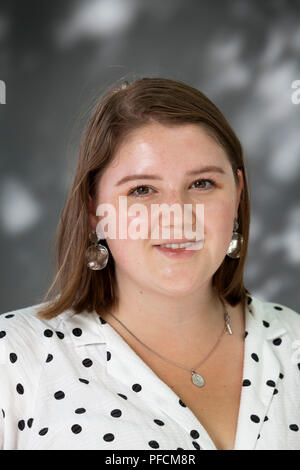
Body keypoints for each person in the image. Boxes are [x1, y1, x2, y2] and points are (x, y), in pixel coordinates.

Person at [0, 77, 299, 451]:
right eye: (142, 190)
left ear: (238, 195)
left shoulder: (293, 344)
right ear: (95, 211)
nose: (177, 216)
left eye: (203, 183)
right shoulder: (13, 359)